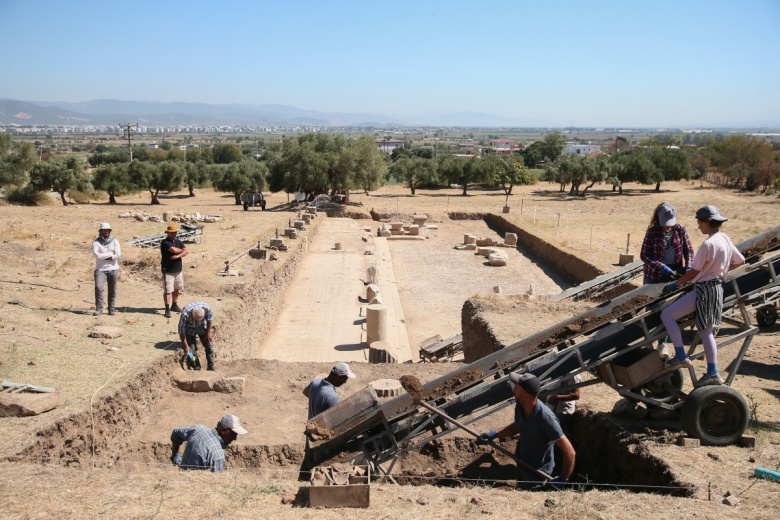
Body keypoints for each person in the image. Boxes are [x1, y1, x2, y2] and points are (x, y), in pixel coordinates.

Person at [661, 205, 745, 387]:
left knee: (667, 315)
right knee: (706, 331)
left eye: (699, 222)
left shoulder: (708, 244)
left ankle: (681, 356)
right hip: (717, 288)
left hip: (704, 289)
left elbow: (695, 271)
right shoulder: (724, 238)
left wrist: (676, 283)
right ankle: (713, 372)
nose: (698, 226)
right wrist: (720, 270)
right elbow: (740, 260)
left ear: (708, 222)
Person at [478, 373, 575, 490]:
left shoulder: (546, 418)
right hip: (522, 464)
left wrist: (563, 478)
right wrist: (494, 433)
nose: (513, 390)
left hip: (537, 473)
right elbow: (518, 426)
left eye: (517, 388)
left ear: (525, 396)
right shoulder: (521, 407)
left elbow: (570, 452)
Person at [640, 202, 694, 358]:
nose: (668, 227)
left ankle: (662, 344)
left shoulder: (680, 230)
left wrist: (689, 266)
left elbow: (689, 250)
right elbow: (644, 255)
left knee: (667, 310)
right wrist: (660, 266)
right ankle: (648, 341)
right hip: (654, 276)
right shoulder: (652, 232)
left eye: (670, 225)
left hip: (673, 276)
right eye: (665, 225)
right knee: (652, 310)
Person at [170, 414, 247, 472]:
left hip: (180, 481)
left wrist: (175, 455)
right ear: (223, 430)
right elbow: (216, 485)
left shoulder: (198, 430)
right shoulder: (218, 456)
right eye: (233, 434)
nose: (235, 438)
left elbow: (176, 433)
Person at [92, 222, 121, 316]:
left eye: (108, 230)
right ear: (101, 231)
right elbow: (97, 256)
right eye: (105, 230)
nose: (107, 231)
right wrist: (111, 254)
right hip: (100, 269)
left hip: (113, 268)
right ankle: (99, 309)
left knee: (112, 289)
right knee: (99, 288)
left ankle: (111, 309)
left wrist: (104, 256)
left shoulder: (115, 241)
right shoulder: (96, 243)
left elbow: (118, 255)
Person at [161, 224, 188, 318]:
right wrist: (181, 251)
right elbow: (174, 250)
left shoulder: (178, 241)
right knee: (168, 290)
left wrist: (178, 256)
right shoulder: (165, 242)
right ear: (168, 233)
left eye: (175, 232)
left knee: (177, 288)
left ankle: (174, 304)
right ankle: (167, 309)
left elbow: (186, 251)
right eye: (172, 232)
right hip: (168, 271)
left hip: (178, 270)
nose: (174, 234)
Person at [178, 301, 215, 371]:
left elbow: (209, 320)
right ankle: (195, 365)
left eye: (199, 320)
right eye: (196, 320)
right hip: (189, 328)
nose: (197, 322)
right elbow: (181, 331)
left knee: (209, 345)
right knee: (191, 351)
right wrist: (185, 345)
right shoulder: (185, 314)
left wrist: (208, 333)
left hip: (201, 326)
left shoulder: (207, 309)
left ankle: (211, 366)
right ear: (192, 315)